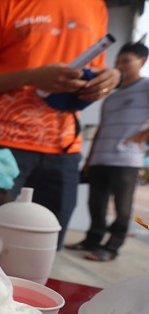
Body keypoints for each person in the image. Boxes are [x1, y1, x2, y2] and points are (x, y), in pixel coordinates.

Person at [0, 0, 122, 250]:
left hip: (65, 147)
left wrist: (112, 77)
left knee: (44, 249)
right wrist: (33, 76)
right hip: (4, 143)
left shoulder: (96, 7)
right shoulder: (3, 7)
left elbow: (97, 68)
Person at [65, 41, 149, 261]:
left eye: (126, 61)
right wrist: (89, 159)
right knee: (96, 203)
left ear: (142, 61)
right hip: (100, 158)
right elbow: (101, 128)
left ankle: (111, 247)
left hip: (126, 160)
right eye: (118, 61)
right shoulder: (111, 95)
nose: (120, 65)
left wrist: (143, 135)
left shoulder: (146, 86)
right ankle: (92, 240)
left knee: (122, 207)